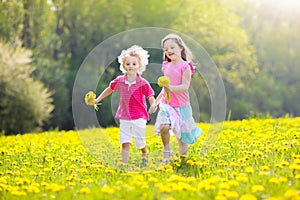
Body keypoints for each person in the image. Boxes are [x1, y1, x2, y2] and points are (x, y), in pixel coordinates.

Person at [94, 45, 156, 164]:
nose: (131, 66)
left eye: (134, 64)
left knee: (139, 142)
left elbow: (150, 95)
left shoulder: (143, 83)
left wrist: (153, 104)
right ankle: (124, 164)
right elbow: (109, 89)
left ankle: (144, 152)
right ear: (123, 66)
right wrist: (97, 99)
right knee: (125, 141)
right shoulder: (120, 81)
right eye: (128, 64)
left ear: (139, 65)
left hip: (139, 116)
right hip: (124, 116)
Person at [149, 33, 203, 162]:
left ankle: (183, 161)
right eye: (166, 49)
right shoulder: (166, 66)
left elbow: (185, 86)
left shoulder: (185, 66)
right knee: (164, 127)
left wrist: (170, 88)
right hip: (167, 104)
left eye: (172, 47)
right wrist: (155, 103)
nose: (169, 51)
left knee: (182, 138)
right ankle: (167, 150)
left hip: (182, 106)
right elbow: (164, 88)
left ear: (180, 48)